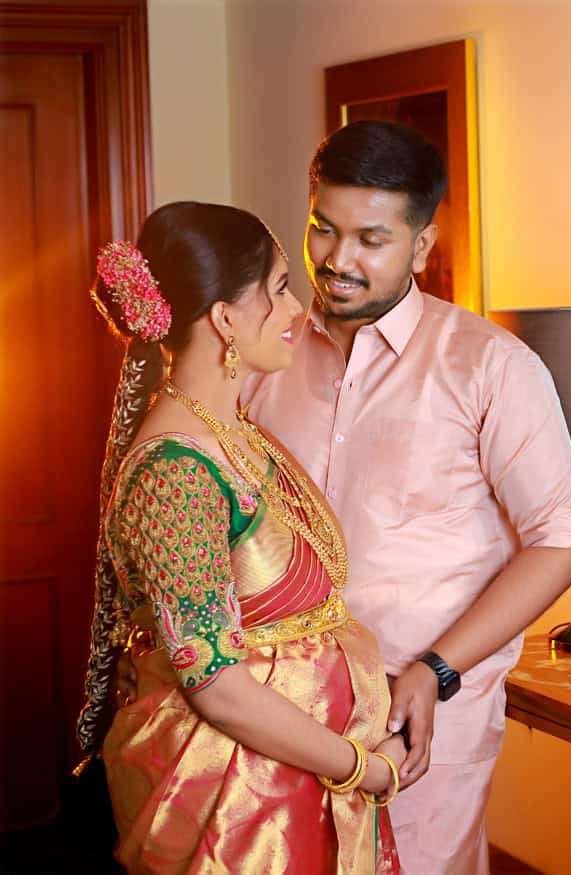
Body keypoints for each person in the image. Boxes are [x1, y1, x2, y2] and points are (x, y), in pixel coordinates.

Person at [241, 120, 571, 873]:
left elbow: (563, 536)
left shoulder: (491, 367)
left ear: (422, 247)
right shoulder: (263, 355)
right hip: (278, 716)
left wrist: (434, 670)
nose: (337, 261)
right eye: (322, 230)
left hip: (420, 720)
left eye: (371, 239)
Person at [81, 202, 405, 872]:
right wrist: (359, 768)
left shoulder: (232, 430)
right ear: (226, 318)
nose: (296, 309)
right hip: (237, 807)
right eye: (279, 288)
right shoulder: (175, 471)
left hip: (298, 776)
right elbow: (216, 683)